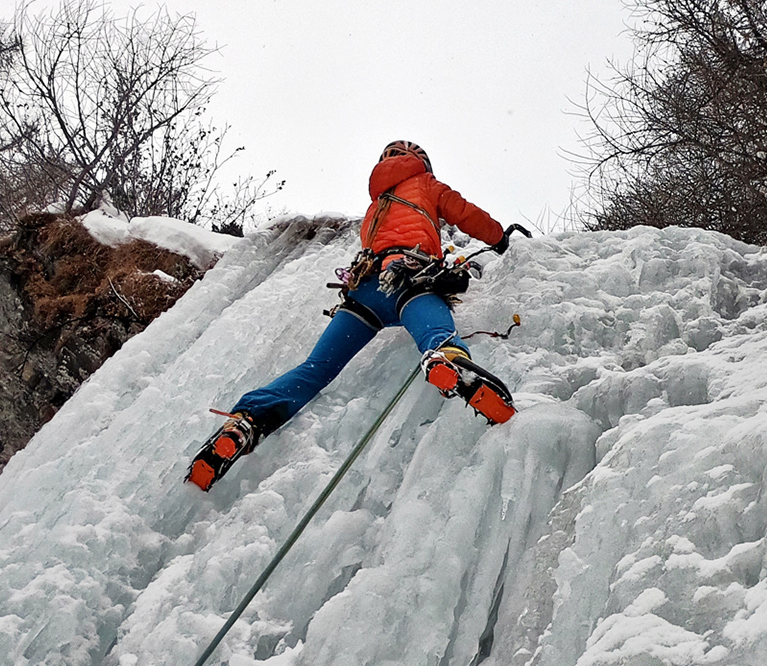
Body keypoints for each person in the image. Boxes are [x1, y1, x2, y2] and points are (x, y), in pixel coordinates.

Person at [188, 140, 526, 490]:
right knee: (436, 336)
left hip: (364, 293)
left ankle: (246, 421)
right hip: (408, 277)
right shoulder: (426, 184)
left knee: (316, 368)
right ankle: (449, 361)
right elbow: (466, 214)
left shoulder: (376, 205)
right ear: (421, 162)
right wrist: (500, 238)